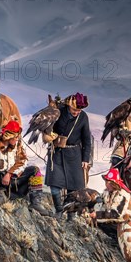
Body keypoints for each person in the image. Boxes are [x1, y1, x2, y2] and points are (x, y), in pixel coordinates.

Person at [0, 120, 52, 216]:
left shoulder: (18, 144)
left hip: (14, 181)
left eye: (17, 136)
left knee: (35, 170)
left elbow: (23, 161)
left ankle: (35, 203)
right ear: (8, 136)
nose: (17, 139)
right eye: (15, 137)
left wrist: (9, 173)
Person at [43, 92, 92, 220]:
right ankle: (59, 210)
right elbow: (48, 128)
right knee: (54, 185)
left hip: (74, 154)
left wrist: (85, 159)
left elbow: (87, 139)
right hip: (57, 152)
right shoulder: (58, 111)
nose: (76, 112)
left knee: (74, 189)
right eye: (74, 109)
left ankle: (71, 215)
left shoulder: (83, 117)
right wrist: (50, 136)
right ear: (69, 105)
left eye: (79, 110)